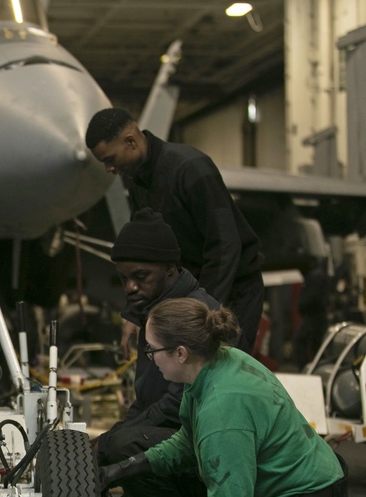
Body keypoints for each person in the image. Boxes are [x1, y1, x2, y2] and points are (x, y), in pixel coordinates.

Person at [100, 298, 366, 497]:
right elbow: (188, 441)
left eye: (151, 350)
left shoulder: (222, 408)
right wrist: (125, 469)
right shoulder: (215, 363)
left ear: (180, 353)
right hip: (306, 487)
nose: (148, 358)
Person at [97, 208, 219, 497]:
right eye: (124, 279)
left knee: (122, 446)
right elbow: (146, 401)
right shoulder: (153, 313)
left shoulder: (195, 316)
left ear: (170, 270)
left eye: (140, 277)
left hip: (200, 449)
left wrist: (110, 445)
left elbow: (176, 406)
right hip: (169, 444)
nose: (130, 287)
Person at [85, 108, 265, 356]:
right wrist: (135, 314)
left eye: (109, 159)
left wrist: (202, 309)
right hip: (190, 294)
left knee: (222, 369)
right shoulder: (139, 182)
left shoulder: (190, 168)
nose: (108, 168)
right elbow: (146, 254)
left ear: (130, 141)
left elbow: (224, 246)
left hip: (232, 289)